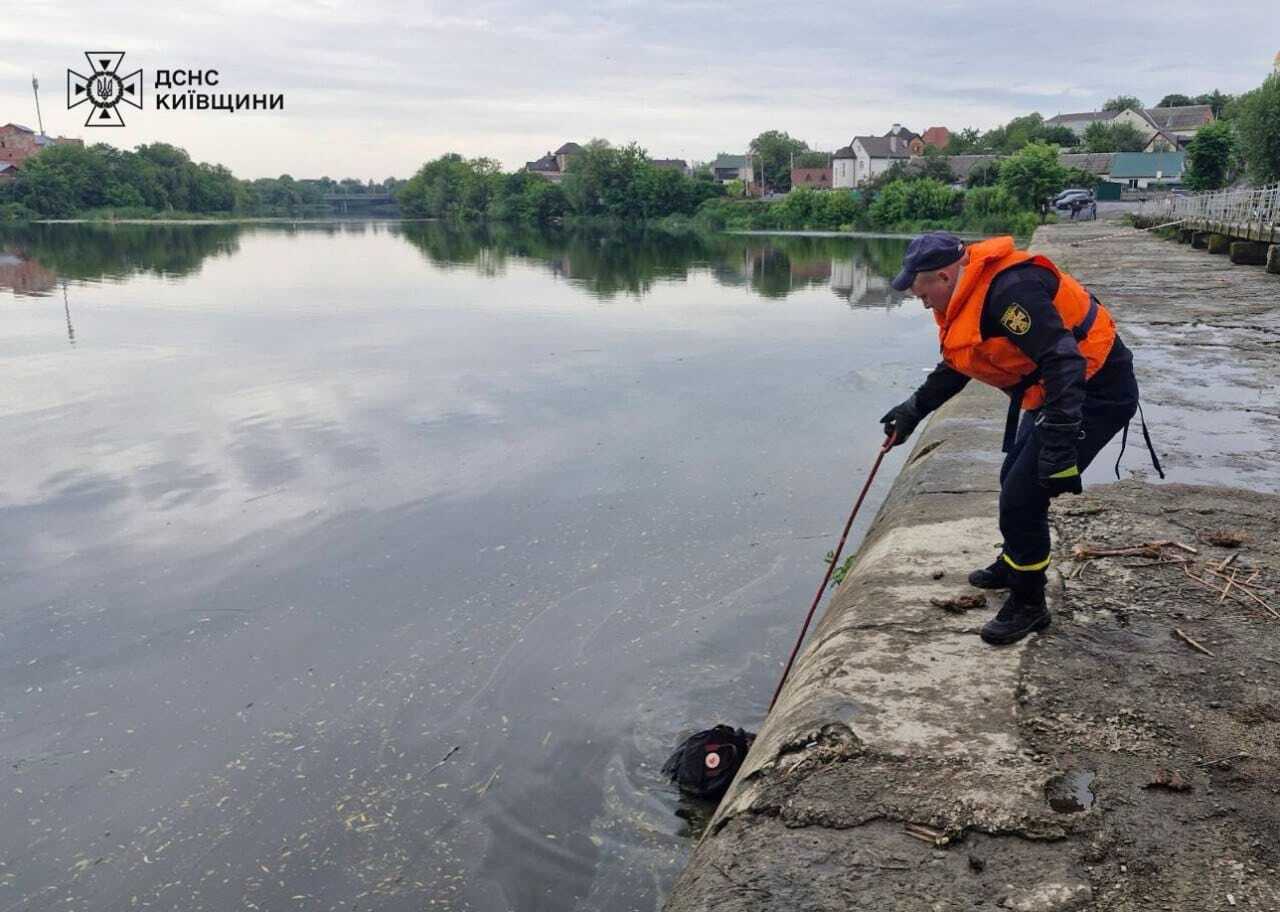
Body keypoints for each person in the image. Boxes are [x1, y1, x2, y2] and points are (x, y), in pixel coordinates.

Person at [879, 232, 1161, 645]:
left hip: (1095, 390)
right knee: (1013, 474)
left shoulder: (1012, 295)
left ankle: (1030, 604)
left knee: (1023, 494)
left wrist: (1062, 439)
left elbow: (1064, 359)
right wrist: (912, 411)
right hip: (1055, 391)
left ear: (943, 275)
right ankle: (1016, 563)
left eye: (924, 294)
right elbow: (960, 361)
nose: (923, 304)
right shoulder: (969, 293)